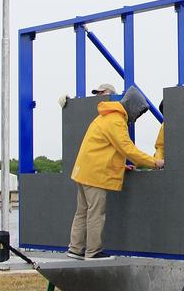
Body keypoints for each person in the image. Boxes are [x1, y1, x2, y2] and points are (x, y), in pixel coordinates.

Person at [68, 85, 162, 260]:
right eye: (139, 113)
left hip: (84, 171)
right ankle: (93, 252)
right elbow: (127, 149)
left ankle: (75, 249)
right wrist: (154, 162)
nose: (136, 117)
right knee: (96, 213)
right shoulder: (116, 120)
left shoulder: (105, 117)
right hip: (95, 175)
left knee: (82, 212)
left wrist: (120, 166)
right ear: (133, 107)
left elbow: (105, 148)